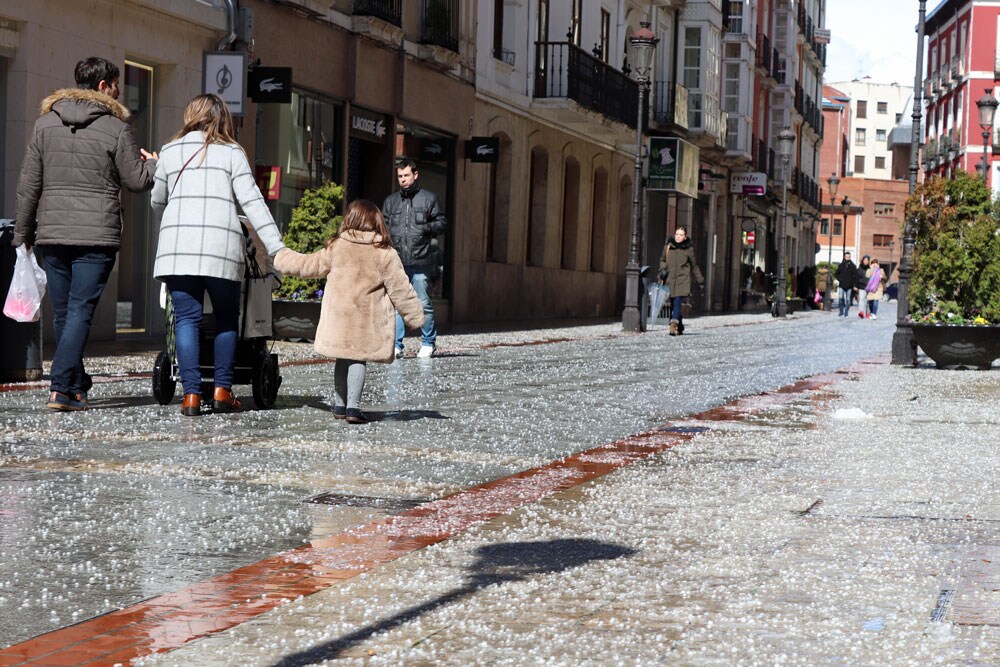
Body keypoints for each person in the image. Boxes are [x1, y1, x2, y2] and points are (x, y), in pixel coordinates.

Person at [13, 56, 158, 411]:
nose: (120, 91)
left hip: (52, 233)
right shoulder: (116, 128)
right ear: (104, 87)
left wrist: (23, 233)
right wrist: (154, 162)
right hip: (97, 235)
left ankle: (76, 384)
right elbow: (136, 180)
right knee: (79, 311)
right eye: (116, 83)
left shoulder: (44, 124)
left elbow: (29, 183)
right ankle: (61, 388)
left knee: (64, 312)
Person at [151, 94, 286, 417]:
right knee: (227, 318)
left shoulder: (169, 152)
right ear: (223, 118)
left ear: (190, 116)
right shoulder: (232, 153)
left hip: (178, 248)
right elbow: (252, 203)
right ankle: (223, 390)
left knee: (186, 320)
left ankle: (191, 396)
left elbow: (157, 201)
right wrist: (277, 248)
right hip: (221, 248)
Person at [273, 200, 424, 424]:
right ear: (376, 222)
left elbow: (308, 265)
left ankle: (339, 405)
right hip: (366, 320)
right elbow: (400, 288)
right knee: (358, 360)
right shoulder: (384, 252)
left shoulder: (337, 247)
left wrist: (281, 257)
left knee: (342, 358)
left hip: (339, 318)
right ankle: (353, 408)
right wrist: (415, 316)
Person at [382, 158, 447, 359]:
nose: (403, 180)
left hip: (422, 260)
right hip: (398, 262)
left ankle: (428, 342)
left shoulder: (429, 198)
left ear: (415, 175)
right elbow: (382, 226)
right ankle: (397, 345)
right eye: (400, 176)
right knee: (397, 304)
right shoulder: (391, 201)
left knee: (423, 302)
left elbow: (442, 222)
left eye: (406, 175)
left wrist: (425, 229)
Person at [658, 226, 704, 336]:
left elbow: (694, 266)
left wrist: (700, 280)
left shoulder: (688, 249)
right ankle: (681, 325)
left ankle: (673, 325)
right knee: (674, 303)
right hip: (670, 279)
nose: (678, 237)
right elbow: (662, 260)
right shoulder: (668, 247)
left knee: (677, 302)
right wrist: (663, 269)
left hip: (682, 280)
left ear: (685, 237)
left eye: (681, 235)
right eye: (677, 234)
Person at [834, 252, 857, 318]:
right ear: (844, 257)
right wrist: (840, 279)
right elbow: (836, 274)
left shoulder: (853, 266)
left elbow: (855, 276)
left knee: (848, 300)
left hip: (849, 285)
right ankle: (841, 312)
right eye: (846, 257)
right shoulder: (841, 265)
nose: (847, 258)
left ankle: (846, 313)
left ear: (850, 257)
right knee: (841, 298)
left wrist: (853, 283)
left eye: (849, 257)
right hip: (842, 285)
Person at [855, 255, 871, 319]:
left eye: (867, 260)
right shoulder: (859, 269)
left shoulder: (870, 269)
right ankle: (861, 312)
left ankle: (868, 313)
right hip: (861, 286)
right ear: (862, 261)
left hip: (869, 287)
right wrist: (856, 286)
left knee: (868, 301)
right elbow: (856, 278)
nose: (865, 261)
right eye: (864, 260)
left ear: (868, 261)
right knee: (861, 300)